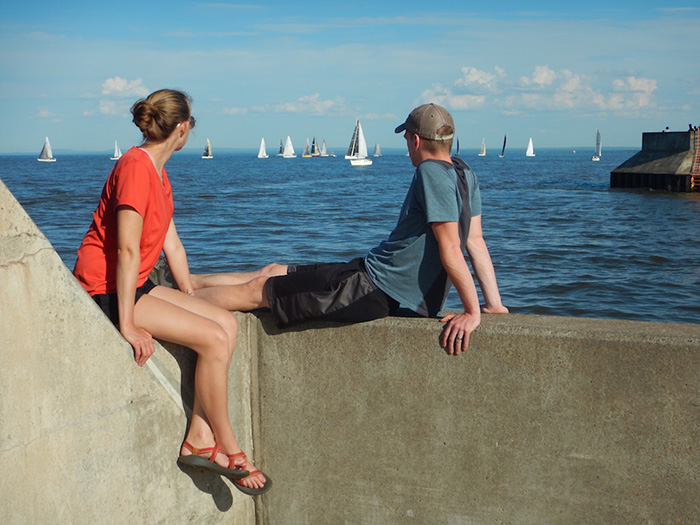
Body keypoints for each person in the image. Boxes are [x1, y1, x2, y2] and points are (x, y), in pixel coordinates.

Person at [169, 103, 507, 355]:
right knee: (271, 270)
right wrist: (494, 303)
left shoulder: (429, 173)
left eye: (406, 137)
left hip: (378, 290)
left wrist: (472, 312)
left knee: (260, 291)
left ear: (416, 139)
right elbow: (475, 242)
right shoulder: (464, 173)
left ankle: (171, 308)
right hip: (372, 273)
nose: (406, 144)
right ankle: (185, 283)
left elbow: (451, 248)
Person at [73, 89, 271, 495]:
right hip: (105, 288)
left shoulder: (157, 172)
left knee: (224, 323)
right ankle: (228, 446)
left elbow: (171, 244)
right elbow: (127, 250)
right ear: (182, 129)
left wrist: (189, 295)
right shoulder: (134, 167)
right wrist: (127, 324)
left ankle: (199, 436)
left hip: (137, 282)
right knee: (214, 340)